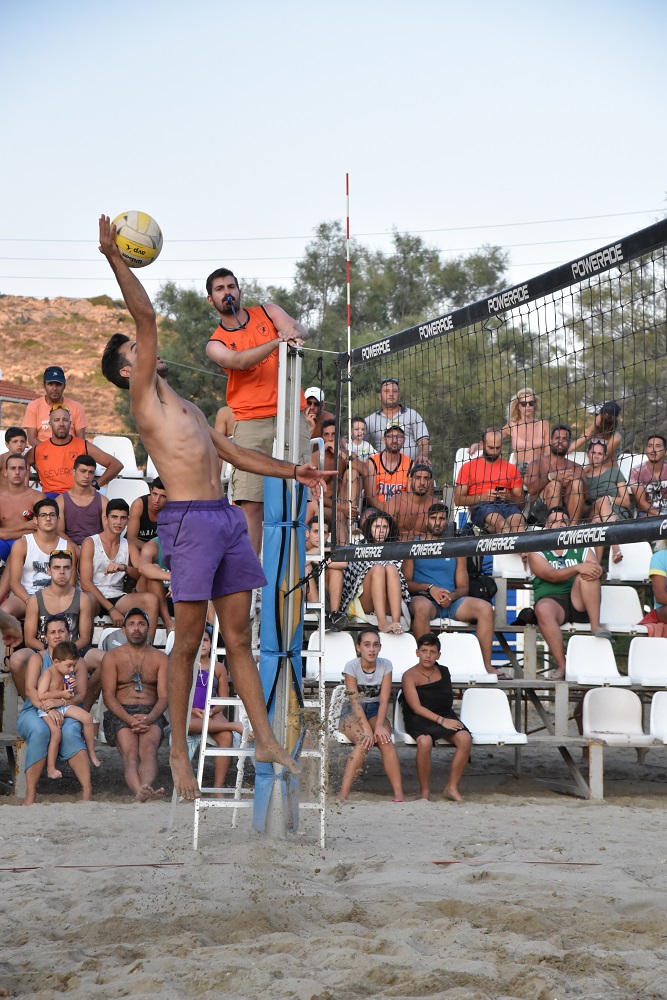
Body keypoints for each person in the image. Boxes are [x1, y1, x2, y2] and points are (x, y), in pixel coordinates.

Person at [98, 214, 331, 799]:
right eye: (136, 350)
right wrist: (114, 257)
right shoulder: (145, 398)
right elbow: (145, 316)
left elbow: (231, 451)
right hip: (189, 523)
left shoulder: (186, 406)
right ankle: (179, 754)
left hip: (224, 518)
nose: (146, 347)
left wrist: (293, 470)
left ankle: (266, 740)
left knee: (240, 637)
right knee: (187, 642)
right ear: (128, 369)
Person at [205, 267, 312, 554]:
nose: (227, 292)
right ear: (210, 300)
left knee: (297, 495)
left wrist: (294, 331)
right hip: (251, 419)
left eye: (231, 286)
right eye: (220, 289)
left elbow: (301, 330)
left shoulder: (268, 311)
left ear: (239, 291)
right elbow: (239, 361)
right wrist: (277, 341)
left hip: (291, 413)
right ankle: (248, 572)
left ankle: (294, 569)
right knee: (250, 502)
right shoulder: (215, 343)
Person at [402, 504, 502, 677]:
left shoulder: (455, 547)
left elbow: (463, 587)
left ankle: (485, 665)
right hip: (424, 598)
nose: (437, 522)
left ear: (447, 521)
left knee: (485, 608)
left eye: (441, 518)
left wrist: (451, 595)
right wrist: (430, 588)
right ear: (426, 520)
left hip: (451, 601)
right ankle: (425, 667)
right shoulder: (413, 545)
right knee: (421, 607)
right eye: (433, 518)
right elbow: (406, 583)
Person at [16, 615, 92, 805]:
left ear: (69, 634)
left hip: (68, 706)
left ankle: (87, 790)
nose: (57, 635)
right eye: (52, 632)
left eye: (61, 631)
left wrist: (59, 703)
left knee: (70, 731)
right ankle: (30, 794)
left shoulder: (78, 662)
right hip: (35, 708)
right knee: (40, 730)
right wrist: (48, 709)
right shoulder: (38, 658)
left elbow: (81, 695)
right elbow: (30, 690)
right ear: (46, 637)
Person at [528, 507, 609, 680]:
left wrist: (597, 570)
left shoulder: (580, 546)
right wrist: (578, 567)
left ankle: (595, 626)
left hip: (579, 599)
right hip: (553, 602)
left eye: (563, 521)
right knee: (542, 609)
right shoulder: (536, 550)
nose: (559, 524)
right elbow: (552, 575)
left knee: (588, 574)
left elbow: (595, 570)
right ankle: (562, 666)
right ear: (546, 526)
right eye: (554, 521)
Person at [101, 607, 168, 801]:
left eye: (141, 624)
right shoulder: (112, 657)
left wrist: (149, 718)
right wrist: (130, 720)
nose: (136, 628)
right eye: (131, 624)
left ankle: (143, 789)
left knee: (148, 751)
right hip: (121, 712)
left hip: (151, 712)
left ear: (148, 628)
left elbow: (164, 697)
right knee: (131, 754)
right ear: (123, 630)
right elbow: (108, 696)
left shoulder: (160, 658)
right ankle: (141, 791)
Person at [11, 549, 93, 700]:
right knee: (16, 659)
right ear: (49, 571)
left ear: (72, 571)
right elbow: (29, 639)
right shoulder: (35, 599)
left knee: (102, 659)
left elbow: (85, 638)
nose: (62, 572)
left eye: (66, 567)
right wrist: (51, 652)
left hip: (74, 652)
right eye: (56, 567)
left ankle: (83, 705)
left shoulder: (83, 599)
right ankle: (32, 703)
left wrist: (66, 653)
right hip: (44, 651)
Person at [399, 633, 472, 801]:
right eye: (424, 651)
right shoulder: (409, 675)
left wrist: (445, 719)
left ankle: (451, 787)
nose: (428, 655)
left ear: (438, 655)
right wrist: (442, 721)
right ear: (417, 652)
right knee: (424, 742)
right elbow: (416, 707)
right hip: (418, 717)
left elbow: (445, 701)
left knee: (465, 738)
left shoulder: (444, 671)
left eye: (432, 652)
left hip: (443, 714)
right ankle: (425, 791)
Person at [338, 627, 404, 802]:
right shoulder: (351, 666)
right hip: (353, 710)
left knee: (385, 740)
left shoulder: (386, 665)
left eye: (375, 645)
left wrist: (379, 726)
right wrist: (367, 729)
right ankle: (343, 795)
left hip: (376, 709)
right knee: (363, 741)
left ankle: (399, 794)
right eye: (367, 645)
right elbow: (354, 701)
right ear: (358, 647)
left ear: (380, 647)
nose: (372, 649)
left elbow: (384, 699)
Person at [79, 498, 159, 639]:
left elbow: (141, 572)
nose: (118, 522)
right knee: (87, 601)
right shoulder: (90, 542)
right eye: (114, 517)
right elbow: (86, 583)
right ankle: (85, 646)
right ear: (106, 519)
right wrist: (112, 610)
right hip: (93, 596)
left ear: (127, 520)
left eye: (123, 518)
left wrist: (124, 568)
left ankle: (148, 646)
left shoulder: (129, 545)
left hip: (117, 595)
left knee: (151, 600)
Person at [189, 626, 244, 792]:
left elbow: (224, 700)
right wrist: (192, 710)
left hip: (212, 712)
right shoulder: (186, 665)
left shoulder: (218, 667)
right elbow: (177, 697)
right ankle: (233, 725)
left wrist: (212, 711)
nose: (202, 644)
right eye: (198, 641)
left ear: (211, 643)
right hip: (190, 713)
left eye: (205, 640)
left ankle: (217, 789)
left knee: (226, 737)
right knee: (187, 725)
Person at [0, 496, 74, 620]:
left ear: (58, 519)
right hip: (25, 597)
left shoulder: (67, 546)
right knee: (4, 613)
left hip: (57, 598)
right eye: (43, 515)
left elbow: (71, 583)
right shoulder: (22, 544)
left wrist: (55, 601)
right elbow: (14, 582)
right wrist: (30, 601)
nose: (48, 519)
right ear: (35, 519)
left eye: (52, 515)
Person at [334, 511, 408, 634]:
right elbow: (351, 582)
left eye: (385, 527)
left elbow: (401, 581)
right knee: (378, 569)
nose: (381, 531)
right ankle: (382, 623)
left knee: (391, 568)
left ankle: (396, 623)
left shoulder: (396, 549)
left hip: (388, 601)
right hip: (364, 601)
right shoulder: (358, 547)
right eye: (377, 527)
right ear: (370, 528)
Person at [37, 639, 101, 778]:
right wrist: (62, 694)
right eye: (69, 665)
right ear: (56, 662)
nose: (72, 669)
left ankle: (91, 752)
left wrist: (71, 688)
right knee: (56, 733)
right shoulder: (48, 673)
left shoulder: (67, 674)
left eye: (74, 665)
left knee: (87, 718)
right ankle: (51, 767)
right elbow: (41, 695)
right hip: (47, 708)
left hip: (62, 704)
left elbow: (72, 696)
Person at [27, 405, 123, 496]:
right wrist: (25, 491)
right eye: (57, 420)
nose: (61, 424)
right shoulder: (38, 450)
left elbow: (116, 465)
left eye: (65, 420)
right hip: (51, 499)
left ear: (70, 423)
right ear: (50, 424)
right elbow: (20, 465)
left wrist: (95, 485)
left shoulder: (83, 445)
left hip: (77, 498)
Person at [454, 428, 525, 533]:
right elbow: (458, 500)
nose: (495, 452)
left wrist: (508, 497)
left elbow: (522, 503)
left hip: (507, 504)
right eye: (491, 448)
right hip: (482, 506)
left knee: (519, 526)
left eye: (498, 448)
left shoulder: (511, 469)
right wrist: (482, 497)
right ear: (482, 445)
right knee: (502, 526)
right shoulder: (468, 467)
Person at [524, 425, 587, 525]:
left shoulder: (577, 468)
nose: (560, 441)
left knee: (577, 483)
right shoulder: (536, 464)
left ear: (569, 443)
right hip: (539, 516)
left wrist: (578, 479)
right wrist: (550, 477)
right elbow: (531, 489)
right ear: (551, 441)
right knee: (554, 485)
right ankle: (555, 524)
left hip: (568, 515)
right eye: (557, 438)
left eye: (564, 439)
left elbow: (587, 497)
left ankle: (571, 527)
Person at [583, 438, 631, 563]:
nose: (596, 456)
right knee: (602, 502)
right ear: (588, 454)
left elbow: (626, 502)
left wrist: (610, 499)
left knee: (598, 521)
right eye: (593, 453)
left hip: (617, 515)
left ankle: (597, 565)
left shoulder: (614, 472)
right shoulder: (583, 476)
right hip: (592, 511)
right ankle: (616, 549)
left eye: (600, 454)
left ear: (604, 456)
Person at [364, 377, 429, 462]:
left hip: (412, 466)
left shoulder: (412, 414)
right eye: (386, 391)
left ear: (399, 395)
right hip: (382, 467)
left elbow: (423, 440)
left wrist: (423, 455)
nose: (391, 394)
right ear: (379, 396)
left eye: (394, 391)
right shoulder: (370, 420)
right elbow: (355, 440)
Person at [23, 365, 88, 446]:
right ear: (44, 386)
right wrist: (49, 451)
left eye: (58, 384)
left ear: (64, 386)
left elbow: (81, 440)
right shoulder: (33, 407)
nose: (54, 388)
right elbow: (32, 439)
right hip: (42, 451)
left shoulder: (76, 407)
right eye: (50, 384)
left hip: (70, 451)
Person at [56, 454, 107, 546]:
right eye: (83, 471)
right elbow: (59, 532)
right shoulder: (60, 501)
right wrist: (74, 548)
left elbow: (108, 531)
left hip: (96, 548)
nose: (87, 476)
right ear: (74, 472)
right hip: (68, 548)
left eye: (91, 472)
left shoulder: (103, 501)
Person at [0, 454, 43, 562]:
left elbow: (42, 528)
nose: (17, 472)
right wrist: (26, 526)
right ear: (5, 472)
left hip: (29, 543)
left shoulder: (37, 497)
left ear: (27, 472)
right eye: (13, 468)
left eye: (21, 468)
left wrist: (5, 534)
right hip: (3, 543)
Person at [382, 462, 436, 539]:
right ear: (410, 480)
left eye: (426, 478)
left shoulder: (435, 505)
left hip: (426, 545)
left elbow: (439, 535)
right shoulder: (394, 503)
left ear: (430, 482)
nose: (422, 483)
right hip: (398, 545)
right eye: (418, 478)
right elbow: (387, 534)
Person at [364, 425, 413, 505]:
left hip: (401, 509)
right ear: (384, 439)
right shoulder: (372, 462)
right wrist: (386, 510)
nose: (395, 440)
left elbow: (410, 496)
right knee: (369, 512)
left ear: (404, 440)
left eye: (399, 437)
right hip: (377, 508)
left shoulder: (410, 464)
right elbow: (370, 497)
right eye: (390, 436)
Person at [137, 534, 174, 634]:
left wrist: (180, 585)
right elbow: (143, 568)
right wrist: (175, 580)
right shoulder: (153, 544)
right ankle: (167, 622)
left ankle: (211, 630)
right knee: (153, 570)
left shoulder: (188, 544)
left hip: (178, 595)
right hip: (152, 594)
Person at [126, 477, 167, 566]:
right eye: (154, 494)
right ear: (150, 491)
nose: (157, 500)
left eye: (162, 496)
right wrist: (152, 551)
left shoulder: (171, 509)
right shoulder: (139, 504)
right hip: (138, 549)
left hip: (160, 552)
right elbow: (131, 538)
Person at [629, 434, 667, 516]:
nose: (653, 450)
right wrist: (660, 514)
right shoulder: (636, 471)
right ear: (646, 450)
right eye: (650, 446)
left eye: (658, 446)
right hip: (648, 513)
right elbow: (641, 503)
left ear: (665, 452)